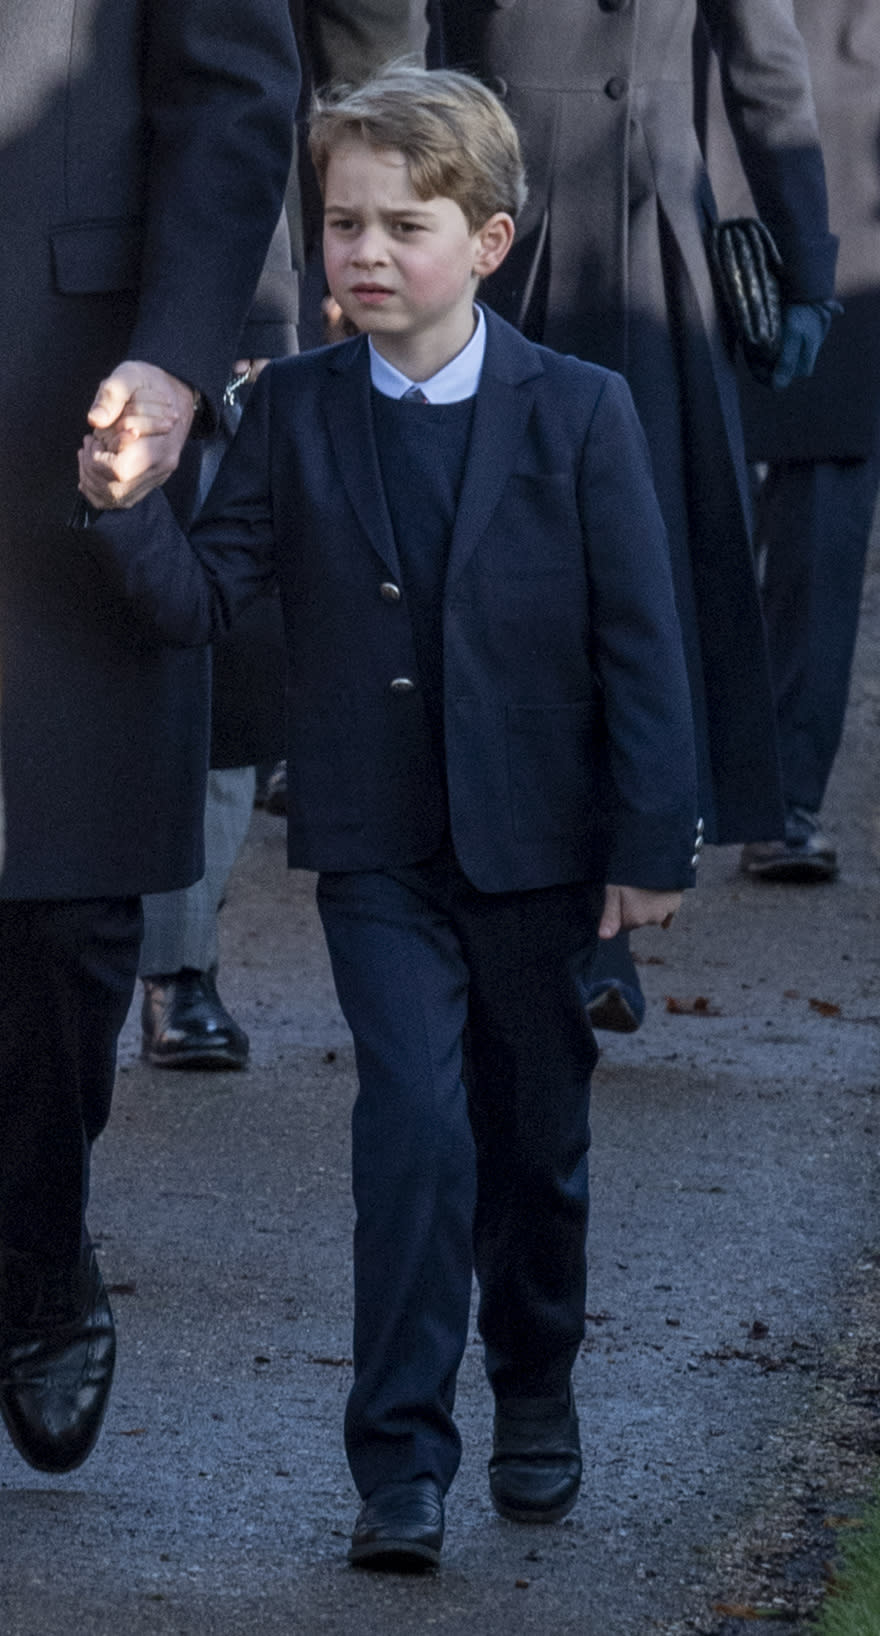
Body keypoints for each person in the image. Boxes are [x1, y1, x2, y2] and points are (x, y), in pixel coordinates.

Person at [77, 63, 700, 1567]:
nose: (360, 252)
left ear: (485, 242)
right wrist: (119, 508)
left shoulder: (583, 409)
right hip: (376, 848)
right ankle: (400, 1460)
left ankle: (534, 1387)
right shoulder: (289, 410)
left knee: (534, 1141)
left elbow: (642, 641)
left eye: (400, 225)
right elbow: (211, 601)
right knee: (413, 1130)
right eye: (342, 222)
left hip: (543, 848)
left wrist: (650, 848)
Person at [0, 0, 299, 1475]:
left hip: (73, 389)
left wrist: (181, 357)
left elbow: (238, 91)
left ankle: (43, 1251)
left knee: (61, 917)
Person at [431, 0, 839, 1030]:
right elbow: (410, 41)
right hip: (495, 223)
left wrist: (806, 259)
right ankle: (517, 904)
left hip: (651, 235)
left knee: (638, 581)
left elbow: (764, 65)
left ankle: (604, 919)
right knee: (496, 572)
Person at [698, 0, 880, 883]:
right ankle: (697, 782)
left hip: (843, 127)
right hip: (668, 112)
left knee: (824, 478)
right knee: (659, 463)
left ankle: (780, 792)